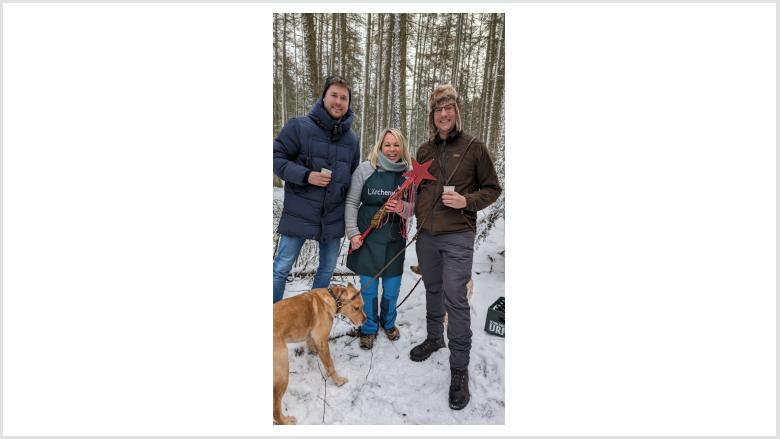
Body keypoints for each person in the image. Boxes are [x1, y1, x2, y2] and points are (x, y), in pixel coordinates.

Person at [409, 84, 502, 410]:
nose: (444, 114)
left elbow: (493, 189)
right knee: (433, 289)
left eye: (448, 108)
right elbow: (418, 190)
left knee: (456, 297)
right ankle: (435, 338)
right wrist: (411, 212)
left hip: (458, 235)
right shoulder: (424, 151)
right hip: (427, 236)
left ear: (456, 112)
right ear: (432, 115)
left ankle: (459, 367)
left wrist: (467, 201)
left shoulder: (475, 147)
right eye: (438, 109)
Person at [272, 76, 361, 303]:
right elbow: (276, 158)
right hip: (299, 212)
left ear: (349, 103)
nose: (338, 102)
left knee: (326, 271)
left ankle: (314, 321)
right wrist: (306, 175)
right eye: (334, 95)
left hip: (332, 217)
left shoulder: (352, 139)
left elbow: (352, 178)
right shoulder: (299, 126)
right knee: (281, 268)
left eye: (344, 98)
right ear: (323, 97)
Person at [345, 128, 414, 350]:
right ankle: (368, 327)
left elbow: (413, 209)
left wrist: (403, 207)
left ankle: (388, 322)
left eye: (396, 145)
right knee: (369, 289)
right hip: (368, 239)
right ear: (380, 146)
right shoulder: (365, 169)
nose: (392, 149)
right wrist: (353, 233)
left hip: (394, 240)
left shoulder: (409, 174)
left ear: (402, 147)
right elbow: (351, 203)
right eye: (387, 145)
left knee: (392, 288)